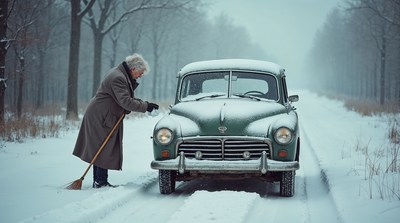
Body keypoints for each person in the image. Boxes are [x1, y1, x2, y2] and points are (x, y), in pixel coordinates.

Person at [72, 53, 159, 188]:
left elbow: (124, 98)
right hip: (101, 116)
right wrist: (146, 106)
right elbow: (125, 101)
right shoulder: (118, 77)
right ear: (133, 69)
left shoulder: (119, 74)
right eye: (140, 73)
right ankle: (100, 182)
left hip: (104, 114)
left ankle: (99, 181)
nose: (140, 76)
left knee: (101, 148)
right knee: (102, 147)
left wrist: (145, 104)